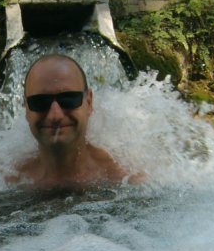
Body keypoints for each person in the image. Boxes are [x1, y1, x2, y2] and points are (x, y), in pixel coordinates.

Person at [11, 54, 139, 188]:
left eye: (68, 99)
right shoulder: (10, 181)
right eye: (40, 102)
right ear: (26, 108)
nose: (55, 116)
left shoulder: (124, 179)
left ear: (89, 103)